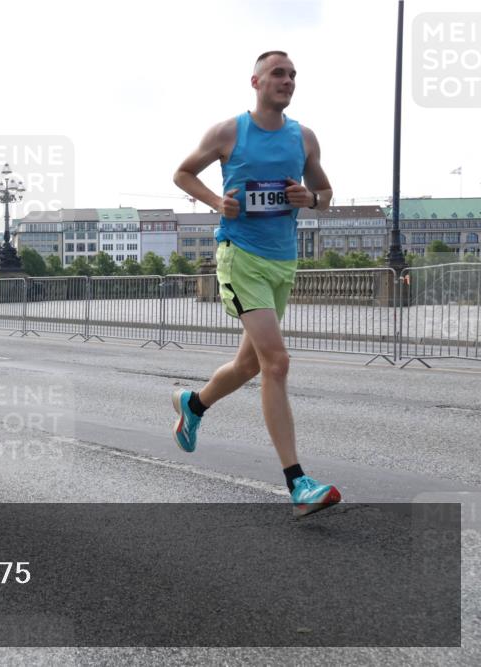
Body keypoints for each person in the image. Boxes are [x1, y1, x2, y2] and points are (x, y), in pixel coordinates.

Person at [171, 51, 340, 518]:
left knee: (249, 365)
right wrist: (214, 202)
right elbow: (183, 172)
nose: (287, 81)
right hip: (240, 256)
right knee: (277, 362)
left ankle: (194, 403)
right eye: (278, 74)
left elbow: (326, 193)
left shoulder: (303, 137)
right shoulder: (230, 132)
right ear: (256, 82)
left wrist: (311, 198)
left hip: (282, 262)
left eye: (292, 75)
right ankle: (298, 483)